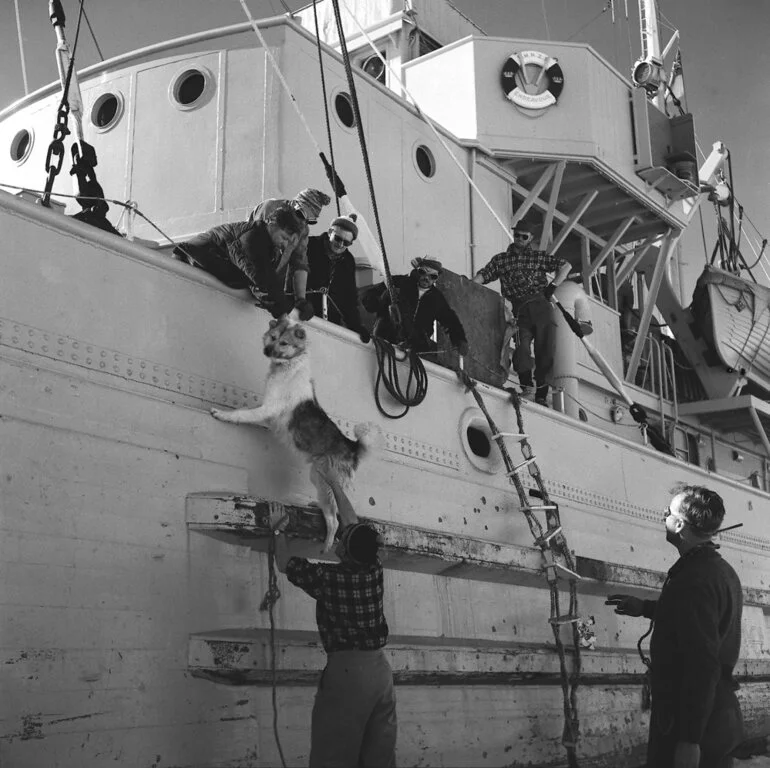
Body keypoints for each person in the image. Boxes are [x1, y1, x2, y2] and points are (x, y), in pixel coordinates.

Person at [606, 485, 744, 768]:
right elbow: (698, 620)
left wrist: (689, 740)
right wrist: (645, 608)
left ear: (680, 525)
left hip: (693, 720)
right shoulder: (719, 570)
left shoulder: (693, 580)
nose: (663, 516)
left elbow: (703, 663)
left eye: (668, 512)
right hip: (717, 712)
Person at [274, 468, 397, 768]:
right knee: (379, 755)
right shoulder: (373, 570)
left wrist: (278, 528)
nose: (339, 538)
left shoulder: (328, 579)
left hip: (348, 676)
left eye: (342, 540)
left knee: (334, 754)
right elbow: (352, 523)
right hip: (381, 673)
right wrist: (335, 484)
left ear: (344, 550)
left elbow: (284, 563)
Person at [472, 220, 570, 405]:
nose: (519, 239)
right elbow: (485, 275)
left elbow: (566, 266)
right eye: (517, 235)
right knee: (521, 348)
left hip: (541, 306)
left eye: (524, 236)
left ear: (531, 238)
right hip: (520, 309)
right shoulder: (501, 260)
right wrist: (469, 283)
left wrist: (553, 286)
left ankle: (541, 394)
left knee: (545, 350)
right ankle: (527, 386)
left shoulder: (538, 257)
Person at [173, 205, 314, 319]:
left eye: (288, 242)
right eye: (283, 237)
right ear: (271, 224)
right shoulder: (251, 237)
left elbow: (264, 278)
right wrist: (286, 313)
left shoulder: (269, 247)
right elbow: (262, 278)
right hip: (190, 258)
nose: (284, 244)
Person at [362, 257, 469, 358]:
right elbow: (368, 297)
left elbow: (450, 320)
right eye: (423, 272)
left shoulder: (437, 298)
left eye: (432, 276)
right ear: (418, 271)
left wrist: (459, 340)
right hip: (385, 339)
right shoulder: (399, 282)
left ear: (436, 279)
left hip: (416, 349)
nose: (426, 278)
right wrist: (382, 298)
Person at [250, 188, 332, 307]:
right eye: (301, 214)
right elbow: (253, 244)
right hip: (250, 272)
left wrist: (301, 299)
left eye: (309, 221)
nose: (302, 222)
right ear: (294, 203)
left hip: (269, 283)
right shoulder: (270, 207)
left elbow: (300, 263)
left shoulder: (302, 229)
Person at [305, 213, 370, 342]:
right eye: (338, 239)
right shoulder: (309, 245)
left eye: (346, 243)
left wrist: (356, 326)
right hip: (304, 313)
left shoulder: (348, 260)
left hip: (330, 321)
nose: (340, 245)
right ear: (330, 232)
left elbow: (349, 297)